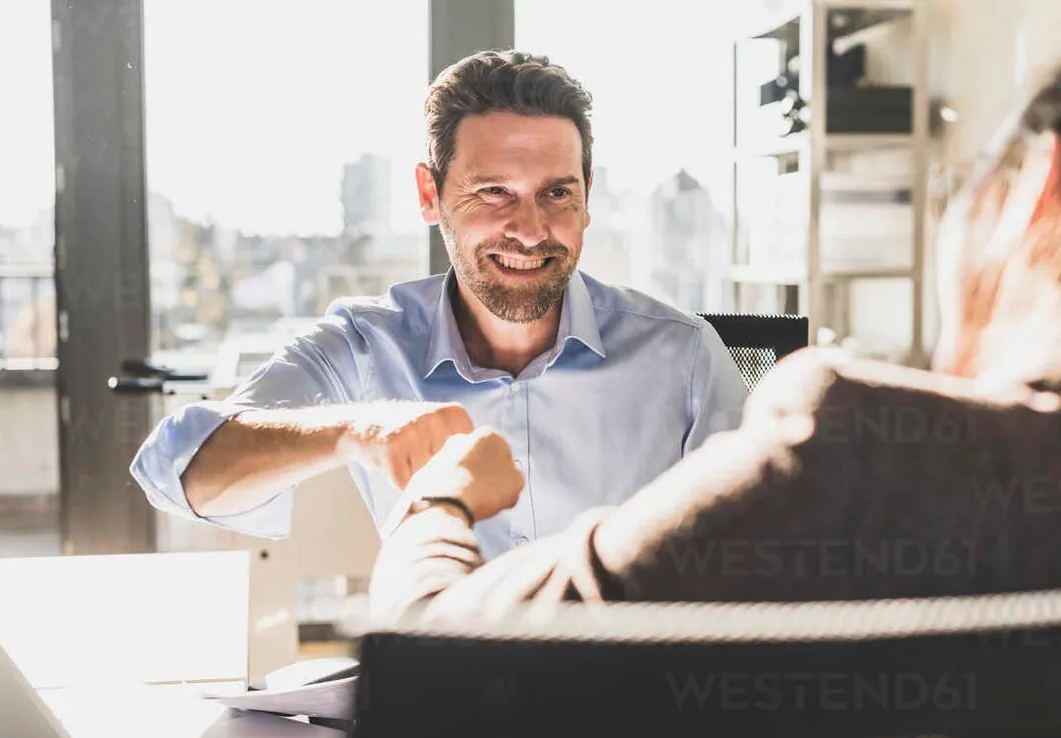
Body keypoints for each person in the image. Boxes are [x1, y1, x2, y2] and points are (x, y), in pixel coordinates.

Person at [370, 14, 1061, 618]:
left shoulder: (859, 454)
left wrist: (439, 502)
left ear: (1043, 193)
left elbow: (447, 657)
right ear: (432, 194)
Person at [129, 50, 747, 560]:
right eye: (493, 193)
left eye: (557, 193)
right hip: (443, 693)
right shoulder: (366, 346)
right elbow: (177, 473)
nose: (530, 230)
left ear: (588, 198)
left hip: (630, 692)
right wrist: (358, 431)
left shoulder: (684, 356)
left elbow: (766, 559)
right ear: (430, 195)